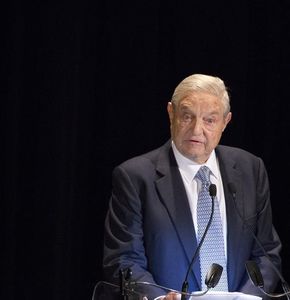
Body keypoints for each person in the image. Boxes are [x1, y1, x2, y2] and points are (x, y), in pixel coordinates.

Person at [102, 74, 282, 300]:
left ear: (226, 122)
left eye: (209, 120)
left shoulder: (250, 170)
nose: (197, 130)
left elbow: (266, 253)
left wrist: (248, 298)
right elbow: (124, 260)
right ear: (171, 113)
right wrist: (158, 298)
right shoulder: (135, 177)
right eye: (187, 116)